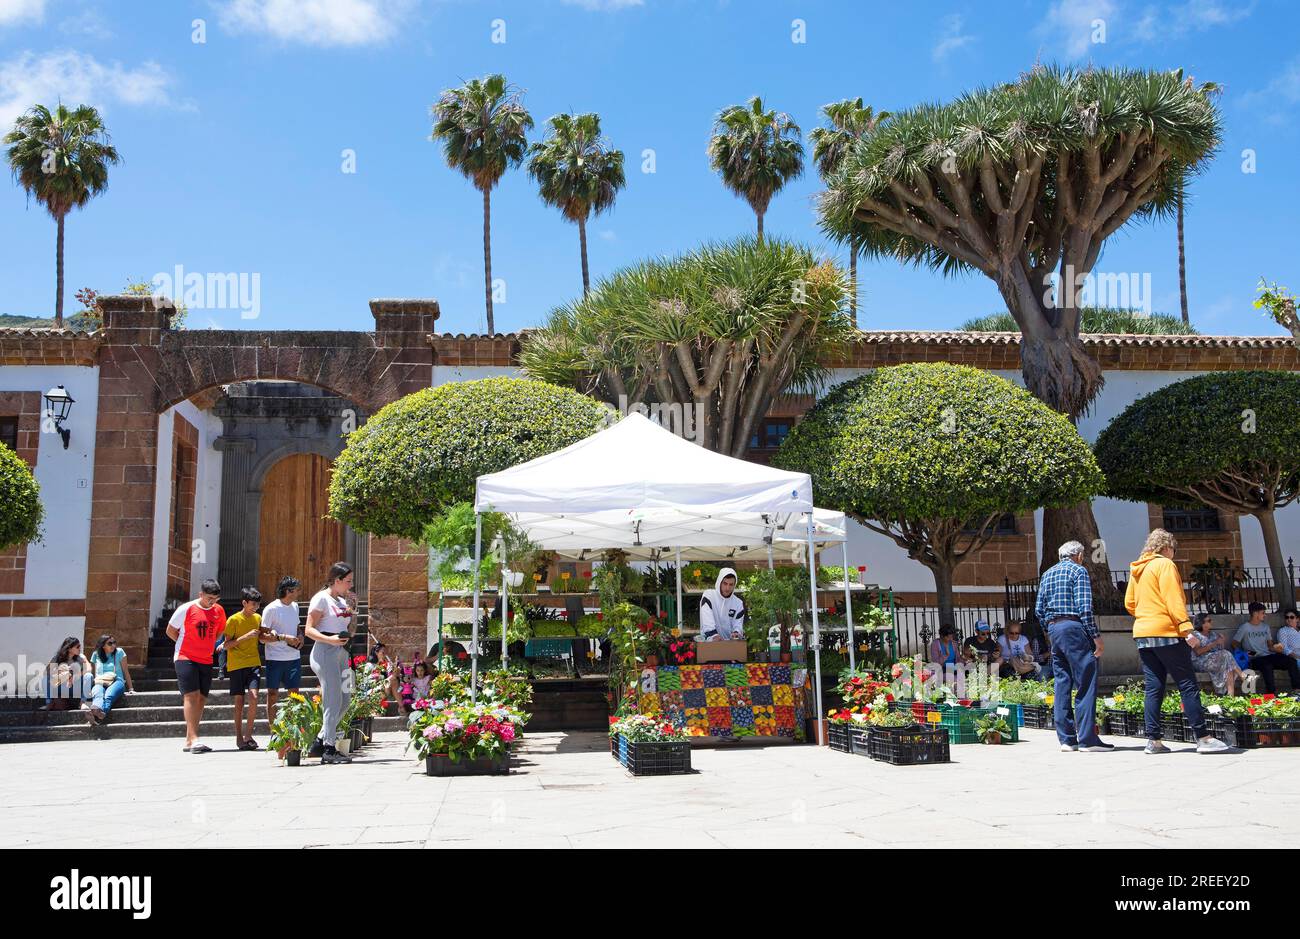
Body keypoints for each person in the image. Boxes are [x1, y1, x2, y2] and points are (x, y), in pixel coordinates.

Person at [1126, 529, 1228, 753]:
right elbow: (1173, 600)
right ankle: (1203, 738)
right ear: (1166, 547)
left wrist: (1147, 614)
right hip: (1167, 631)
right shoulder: (1165, 565)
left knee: (1153, 687)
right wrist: (1186, 629)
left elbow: (1130, 603)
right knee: (1187, 684)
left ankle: (1153, 740)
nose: (1174, 553)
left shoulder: (1138, 569)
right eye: (1174, 548)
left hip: (1143, 633)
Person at [1036, 541, 1111, 752]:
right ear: (1078, 555)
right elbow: (1085, 608)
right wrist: (1095, 636)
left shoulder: (1047, 574)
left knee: (1062, 682)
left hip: (1054, 629)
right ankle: (1087, 738)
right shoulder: (1078, 571)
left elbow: (1039, 609)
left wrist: (1049, 629)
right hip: (1074, 627)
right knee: (1086, 680)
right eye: (1083, 555)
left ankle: (1067, 739)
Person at [166, 578, 227, 754]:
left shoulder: (219, 610)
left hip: (206, 658)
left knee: (201, 697)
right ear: (200, 594)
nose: (212, 602)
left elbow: (219, 631)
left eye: (215, 599)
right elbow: (170, 630)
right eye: (209, 598)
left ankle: (189, 738)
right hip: (185, 657)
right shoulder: (186, 609)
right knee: (191, 695)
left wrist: (210, 643)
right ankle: (193, 739)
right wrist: (184, 642)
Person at [306, 562, 356, 764]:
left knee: (345, 699)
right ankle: (328, 748)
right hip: (325, 651)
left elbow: (351, 631)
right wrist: (330, 640)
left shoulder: (342, 601)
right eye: (348, 581)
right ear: (337, 581)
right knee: (332, 699)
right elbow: (308, 629)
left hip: (342, 653)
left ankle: (319, 740)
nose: (350, 585)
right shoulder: (321, 599)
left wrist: (354, 611)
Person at [224, 586, 264, 751]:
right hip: (236, 665)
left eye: (257, 605)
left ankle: (248, 735)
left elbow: (261, 638)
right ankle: (239, 737)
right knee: (239, 701)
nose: (255, 608)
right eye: (252, 604)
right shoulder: (233, 620)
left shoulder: (258, 618)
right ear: (244, 602)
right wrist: (245, 637)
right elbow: (226, 645)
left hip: (254, 663)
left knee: (254, 696)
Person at [260, 576, 303, 727]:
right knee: (272, 694)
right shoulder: (271, 609)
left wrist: (300, 636)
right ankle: (274, 731)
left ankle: (292, 729)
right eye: (296, 590)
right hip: (275, 658)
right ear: (288, 591)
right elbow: (262, 637)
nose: (298, 592)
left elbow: (297, 627)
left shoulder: (295, 607)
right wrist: (284, 638)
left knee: (294, 694)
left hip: (293, 657)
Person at [1233, 601, 1300, 694]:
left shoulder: (1265, 627)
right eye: (1263, 613)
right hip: (1255, 658)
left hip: (1268, 655)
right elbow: (1234, 644)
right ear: (1256, 614)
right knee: (1267, 666)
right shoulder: (1245, 627)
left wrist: (1277, 648)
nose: (1265, 615)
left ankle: (1297, 690)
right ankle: (1271, 694)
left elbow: (1270, 646)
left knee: (1291, 661)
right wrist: (1244, 653)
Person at [1185, 612, 1242, 695]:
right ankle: (1242, 675)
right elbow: (1198, 652)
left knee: (1228, 665)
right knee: (1226, 655)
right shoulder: (1193, 635)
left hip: (1214, 661)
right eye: (1209, 620)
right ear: (1202, 623)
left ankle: (1231, 695)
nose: (1211, 622)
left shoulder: (1213, 634)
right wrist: (1215, 643)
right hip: (1201, 662)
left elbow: (1220, 651)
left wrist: (1222, 642)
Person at [87, 634, 133, 724]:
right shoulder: (96, 654)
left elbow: (126, 671)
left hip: (117, 680)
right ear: (103, 645)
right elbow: (94, 672)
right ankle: (98, 713)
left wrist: (131, 688)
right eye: (110, 643)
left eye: (114, 642)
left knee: (108, 696)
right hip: (100, 681)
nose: (113, 645)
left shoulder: (119, 652)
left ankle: (97, 714)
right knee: (98, 694)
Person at [44, 636, 92, 712]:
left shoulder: (81, 657)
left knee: (89, 676)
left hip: (75, 687)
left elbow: (89, 669)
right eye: (77, 646)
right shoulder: (57, 658)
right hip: (62, 687)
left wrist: (76, 674)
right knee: (46, 678)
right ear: (69, 648)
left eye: (80, 646)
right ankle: (49, 702)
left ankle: (82, 702)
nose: (80, 648)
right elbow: (48, 671)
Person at [699, 567, 745, 641]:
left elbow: (738, 625)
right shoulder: (709, 596)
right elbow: (707, 619)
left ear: (734, 585)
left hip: (730, 644)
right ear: (719, 582)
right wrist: (713, 635)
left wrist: (736, 633)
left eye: (731, 584)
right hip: (709, 641)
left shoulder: (738, 603)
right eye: (725, 583)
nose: (727, 588)